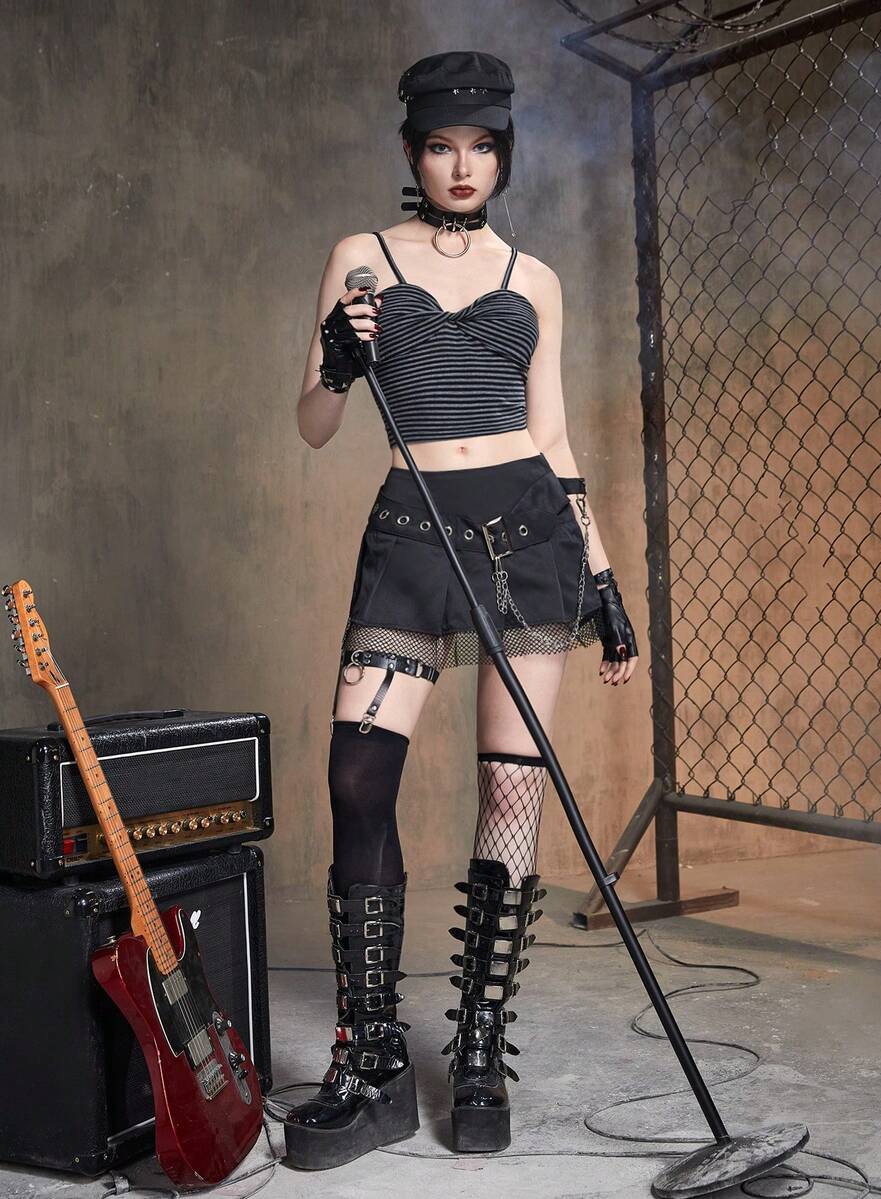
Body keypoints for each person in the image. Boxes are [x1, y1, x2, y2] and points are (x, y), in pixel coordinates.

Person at [286, 50, 639, 1170]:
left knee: (509, 787)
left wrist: (603, 577)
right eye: (441, 145)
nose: (461, 166)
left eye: (482, 146)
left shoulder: (535, 278)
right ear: (411, 151)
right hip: (411, 531)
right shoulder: (360, 259)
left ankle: (479, 1048)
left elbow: (555, 436)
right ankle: (374, 1056)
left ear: (503, 154)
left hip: (528, 536)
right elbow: (312, 425)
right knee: (357, 774)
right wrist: (337, 363)